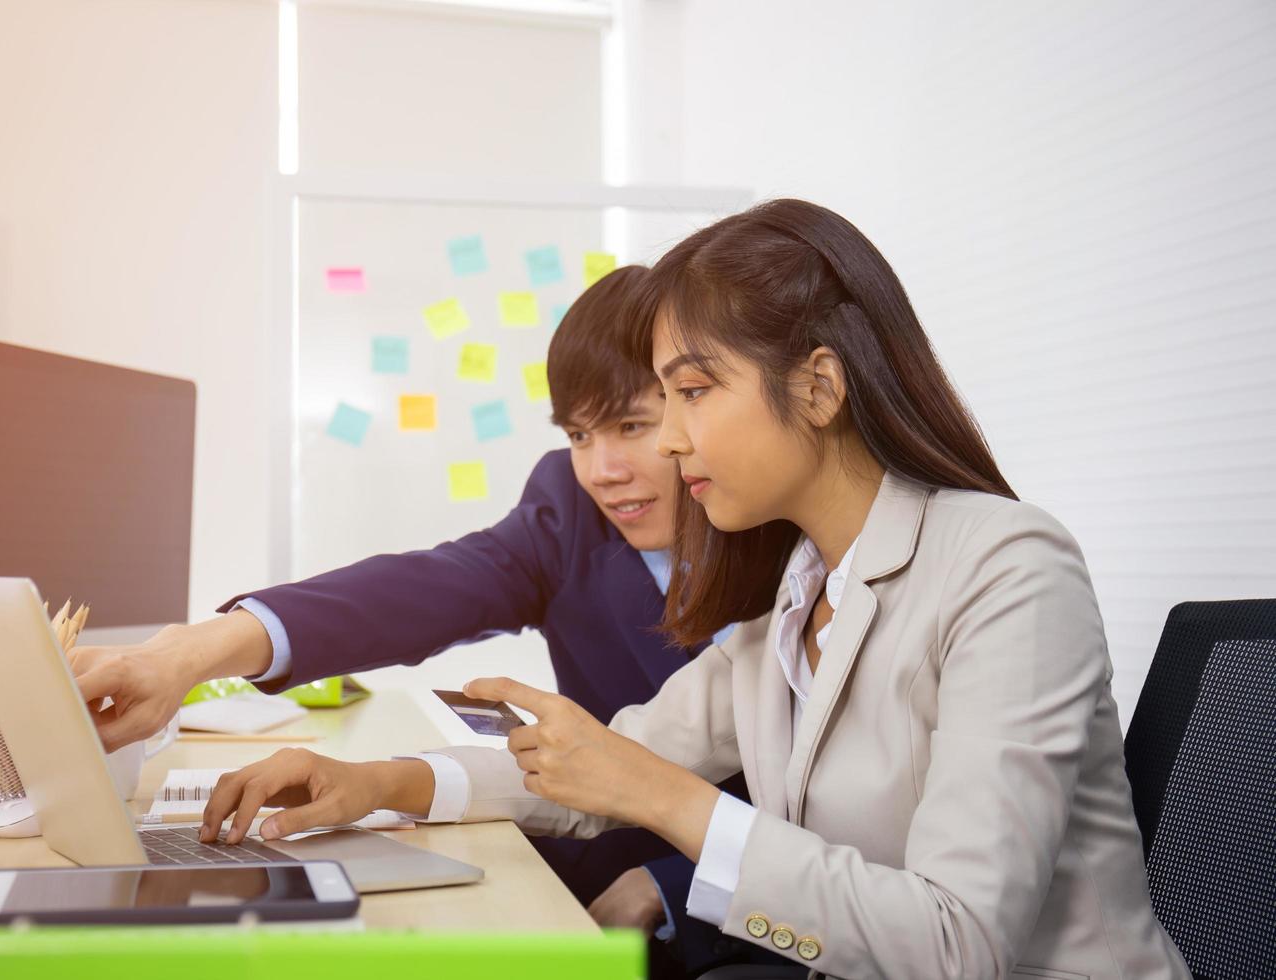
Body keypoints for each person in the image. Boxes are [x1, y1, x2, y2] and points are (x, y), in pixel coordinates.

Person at [198, 200, 1191, 980]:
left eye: (690, 393)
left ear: (818, 386)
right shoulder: (797, 597)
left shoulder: (1008, 568)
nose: (666, 443)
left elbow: (955, 942)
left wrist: (667, 802)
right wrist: (384, 784)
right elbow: (613, 757)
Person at [71, 265, 760, 976]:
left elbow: (844, 829)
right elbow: (420, 591)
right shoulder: (571, 508)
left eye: (633, 426)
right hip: (583, 877)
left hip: (752, 923)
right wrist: (191, 653)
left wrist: (674, 888)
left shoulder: (793, 550)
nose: (602, 467)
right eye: (580, 434)